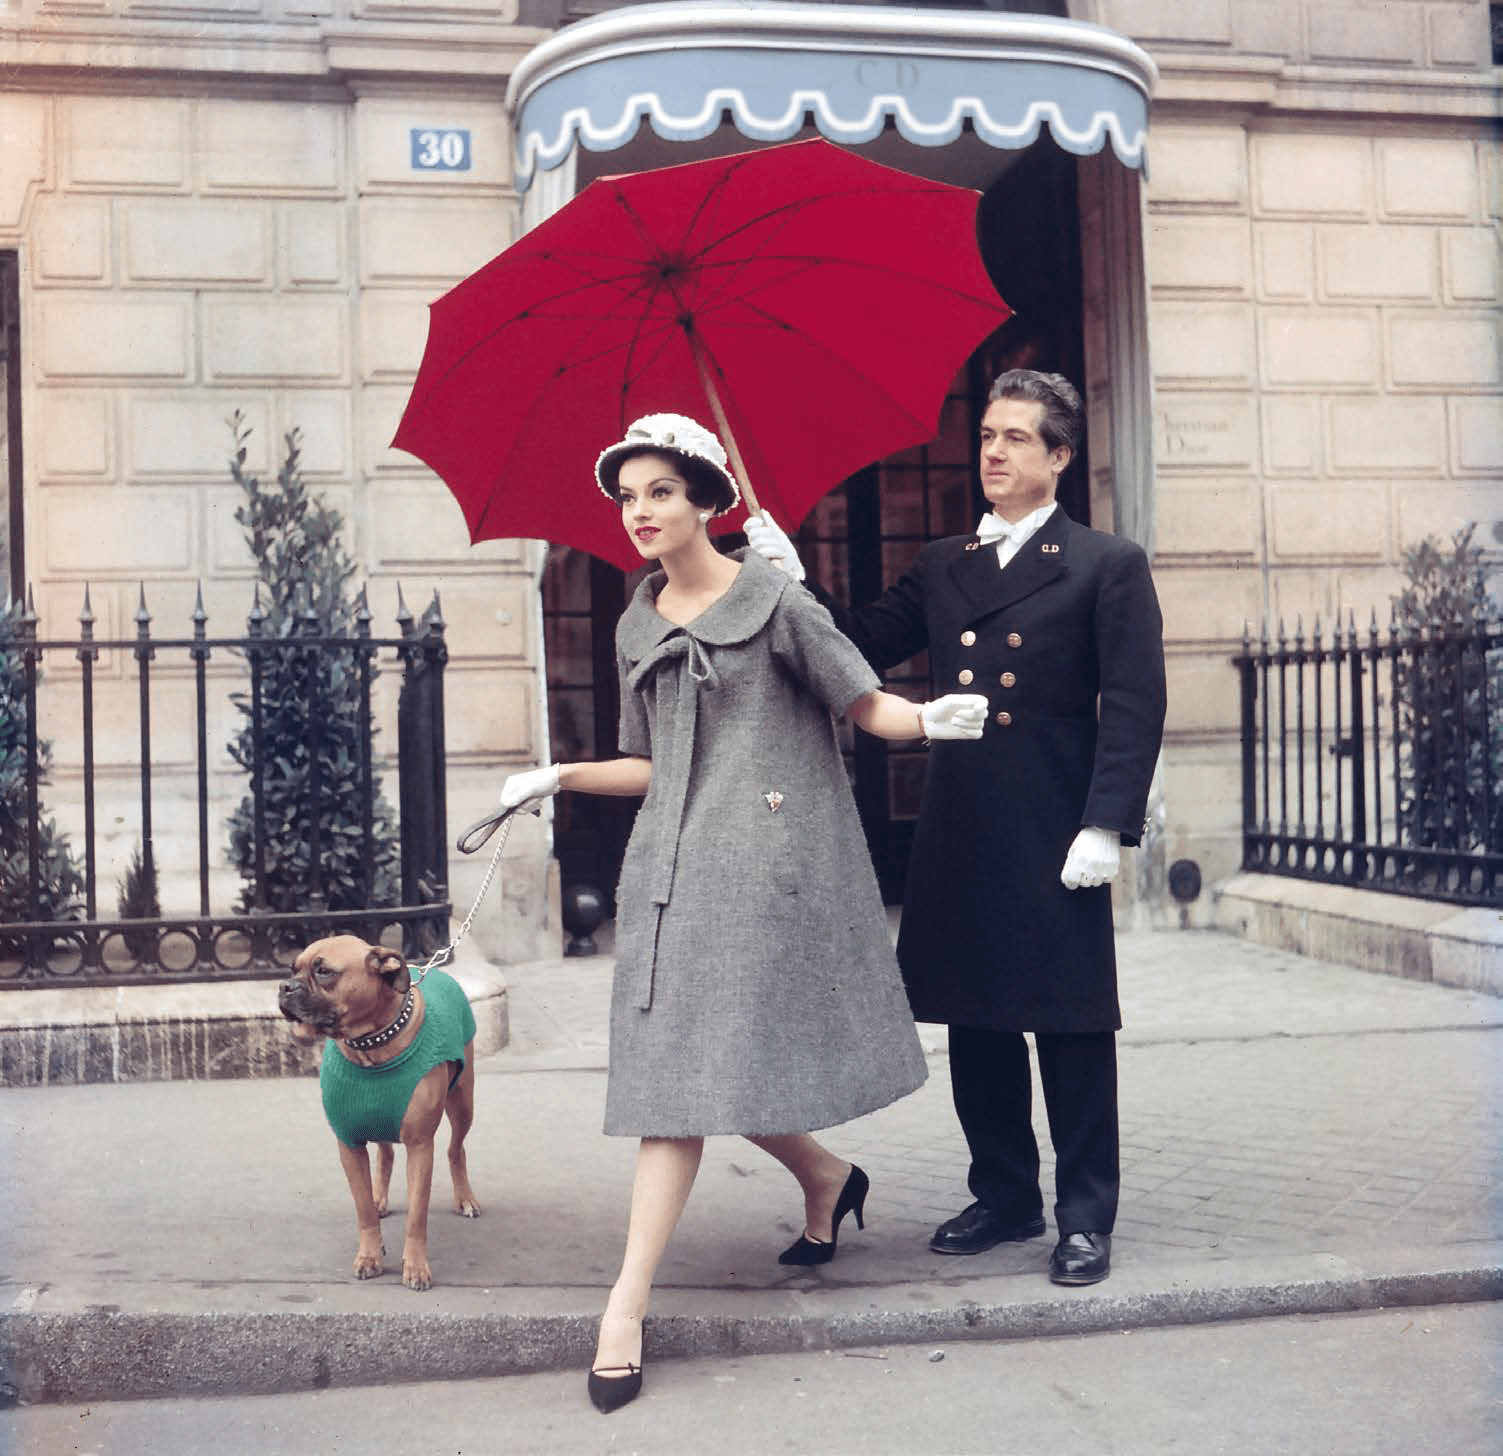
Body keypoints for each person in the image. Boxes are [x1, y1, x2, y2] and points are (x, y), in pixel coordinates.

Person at [499, 413, 989, 1413]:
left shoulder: (776, 599)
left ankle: (624, 1309)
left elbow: (867, 704)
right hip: (668, 875)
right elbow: (649, 765)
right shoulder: (638, 623)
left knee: (679, 1084)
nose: (639, 511)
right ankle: (826, 1176)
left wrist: (933, 718)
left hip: (762, 874)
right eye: (627, 496)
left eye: (660, 493)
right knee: (706, 1060)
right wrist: (559, 775)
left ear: (706, 500)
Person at [747, 370, 1166, 1289]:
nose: (993, 452)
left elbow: (1133, 704)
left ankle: (1084, 1214)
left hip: (1055, 820)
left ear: (1059, 457)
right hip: (966, 819)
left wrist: (1107, 825)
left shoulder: (1105, 563)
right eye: (985, 435)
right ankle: (1006, 1196)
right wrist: (790, 582)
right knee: (976, 1021)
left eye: (1016, 438)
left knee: (1068, 1025)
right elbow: (858, 644)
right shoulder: (945, 564)